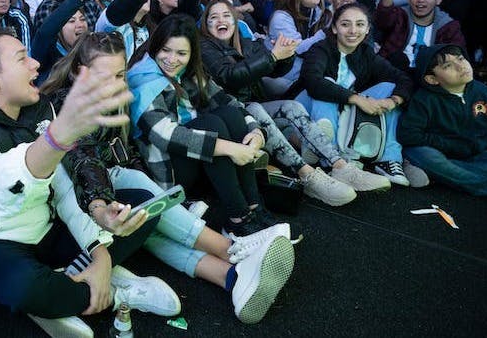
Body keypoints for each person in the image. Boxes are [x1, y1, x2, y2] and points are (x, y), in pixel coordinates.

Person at [0, 26, 180, 338]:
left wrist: (100, 247)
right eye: (22, 58)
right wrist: (53, 140)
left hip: (45, 230)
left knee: (141, 207)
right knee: (24, 286)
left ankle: (78, 283)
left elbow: (62, 190)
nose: (36, 64)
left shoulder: (37, 108)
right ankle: (114, 294)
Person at [41, 31, 296, 324]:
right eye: (103, 75)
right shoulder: (64, 103)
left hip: (110, 178)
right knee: (146, 202)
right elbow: (84, 160)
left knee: (150, 219)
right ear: (79, 71)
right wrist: (101, 203)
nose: (113, 84)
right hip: (77, 191)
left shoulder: (117, 92)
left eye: (119, 75)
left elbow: (121, 149)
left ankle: (232, 278)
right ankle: (235, 252)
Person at [200, 0, 390, 203]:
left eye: (226, 15)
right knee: (255, 107)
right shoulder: (204, 46)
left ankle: (340, 166)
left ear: (235, 21)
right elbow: (229, 76)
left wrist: (286, 55)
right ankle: (306, 174)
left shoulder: (246, 44)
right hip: (225, 113)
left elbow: (276, 70)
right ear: (206, 24)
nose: (221, 20)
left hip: (251, 106)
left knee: (292, 105)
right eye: (214, 17)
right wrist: (273, 57)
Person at [128, 15, 281, 236]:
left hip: (198, 160)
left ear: (191, 55)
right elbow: (165, 135)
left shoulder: (189, 72)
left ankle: (254, 205)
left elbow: (228, 101)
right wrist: (230, 148)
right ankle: (238, 219)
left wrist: (255, 131)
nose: (171, 59)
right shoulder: (143, 79)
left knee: (228, 113)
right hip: (167, 171)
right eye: (165, 50)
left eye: (181, 53)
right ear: (155, 47)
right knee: (212, 123)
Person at [297, 4, 418, 187]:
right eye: (346, 24)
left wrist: (393, 101)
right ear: (335, 28)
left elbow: (404, 80)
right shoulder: (321, 49)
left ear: (368, 29)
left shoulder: (365, 54)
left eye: (360, 24)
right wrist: (356, 98)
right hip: (306, 107)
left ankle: (389, 158)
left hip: (342, 112)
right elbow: (313, 83)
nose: (353, 31)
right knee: (327, 82)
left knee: (390, 87)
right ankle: (333, 157)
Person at [399, 44, 487, 200]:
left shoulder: (482, 91)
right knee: (421, 154)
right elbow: (408, 135)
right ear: (432, 79)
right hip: (437, 152)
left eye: (460, 58)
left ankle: (441, 173)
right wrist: (448, 145)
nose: (461, 66)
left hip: (473, 154)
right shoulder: (424, 99)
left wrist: (481, 144)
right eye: (448, 66)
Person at [375, 0, 464, 73]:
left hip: (430, 74)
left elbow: (456, 54)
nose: (421, 0)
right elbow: (382, 20)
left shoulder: (448, 26)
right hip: (394, 70)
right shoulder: (400, 15)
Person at [263, 0, 329, 97]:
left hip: (301, 75)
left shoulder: (316, 13)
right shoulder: (281, 17)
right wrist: (326, 33)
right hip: (279, 78)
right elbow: (296, 48)